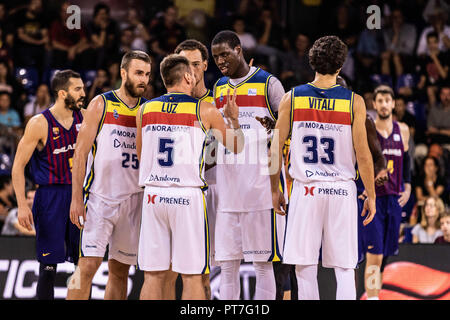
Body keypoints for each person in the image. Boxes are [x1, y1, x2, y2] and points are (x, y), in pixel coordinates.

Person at [269, 35, 376, 300]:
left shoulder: (292, 98)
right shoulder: (354, 102)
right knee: (344, 267)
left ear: (312, 62)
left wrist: (275, 190)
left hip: (306, 190)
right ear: (340, 66)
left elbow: (273, 150)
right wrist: (371, 195)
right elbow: (363, 155)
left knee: (304, 266)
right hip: (341, 190)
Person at [136, 54, 244, 300]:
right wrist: (233, 118)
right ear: (187, 77)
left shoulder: (145, 109)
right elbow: (236, 146)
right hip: (187, 195)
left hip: (153, 194)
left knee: (153, 275)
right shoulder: (204, 109)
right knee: (192, 275)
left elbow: (142, 156)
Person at [67, 50, 151, 300]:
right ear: (123, 73)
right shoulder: (101, 104)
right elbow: (80, 154)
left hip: (134, 201)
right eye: (138, 73)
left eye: (146, 74)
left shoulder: (148, 110)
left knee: (119, 271)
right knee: (87, 267)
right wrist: (76, 199)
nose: (143, 79)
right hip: (100, 199)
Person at [211, 30, 287, 300]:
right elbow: (214, 137)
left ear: (238, 49)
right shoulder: (218, 88)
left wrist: (277, 187)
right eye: (216, 57)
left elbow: (284, 135)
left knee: (262, 264)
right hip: (228, 189)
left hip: (260, 189)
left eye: (225, 54)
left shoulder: (269, 84)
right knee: (228, 265)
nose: (220, 61)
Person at [11, 69, 85, 300]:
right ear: (62, 93)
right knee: (49, 266)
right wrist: (22, 205)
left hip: (79, 195)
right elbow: (17, 166)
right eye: (78, 89)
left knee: (81, 265)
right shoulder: (39, 123)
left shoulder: (85, 117)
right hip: (50, 197)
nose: (84, 93)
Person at [156, 39, 216, 300]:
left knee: (202, 272)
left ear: (204, 65)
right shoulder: (163, 105)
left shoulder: (217, 101)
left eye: (194, 64)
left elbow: (238, 147)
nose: (189, 70)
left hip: (215, 191)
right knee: (168, 271)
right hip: (185, 191)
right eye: (184, 64)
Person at [363, 84, 411, 300]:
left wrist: (408, 186)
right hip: (375, 199)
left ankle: (375, 294)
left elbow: (407, 159)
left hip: (394, 199)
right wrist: (364, 186)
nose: (383, 104)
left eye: (387, 100)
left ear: (393, 104)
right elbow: (361, 160)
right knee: (374, 255)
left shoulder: (403, 129)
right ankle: (372, 297)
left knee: (386, 256)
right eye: (379, 101)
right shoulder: (369, 128)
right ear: (374, 104)